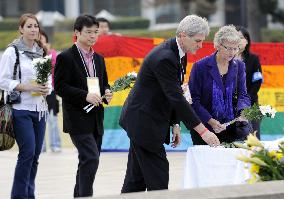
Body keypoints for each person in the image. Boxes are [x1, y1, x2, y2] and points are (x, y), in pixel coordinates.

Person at [119, 15, 220, 193]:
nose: (200, 45)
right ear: (182, 35)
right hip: (143, 122)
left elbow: (174, 91)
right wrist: (203, 131)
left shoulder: (179, 54)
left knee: (135, 181)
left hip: (144, 120)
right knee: (159, 179)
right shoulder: (165, 57)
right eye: (197, 40)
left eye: (202, 41)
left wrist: (175, 124)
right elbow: (175, 97)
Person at [54, 14, 113, 198]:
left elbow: (104, 83)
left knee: (87, 161)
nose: (93, 36)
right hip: (77, 118)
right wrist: (85, 96)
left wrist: (107, 92)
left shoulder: (99, 59)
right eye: (88, 32)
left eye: (95, 32)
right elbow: (60, 87)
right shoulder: (66, 57)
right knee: (91, 158)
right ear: (77, 33)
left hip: (96, 118)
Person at [0, 13, 50, 199]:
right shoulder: (12, 51)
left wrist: (47, 89)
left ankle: (29, 194)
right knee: (27, 152)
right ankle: (19, 196)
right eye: (29, 26)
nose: (33, 29)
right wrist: (28, 87)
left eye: (35, 26)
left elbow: (48, 80)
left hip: (40, 110)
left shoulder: (41, 51)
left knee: (35, 155)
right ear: (21, 29)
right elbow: (3, 81)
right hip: (21, 109)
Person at [189, 25, 251, 145]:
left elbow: (243, 95)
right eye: (228, 48)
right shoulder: (200, 67)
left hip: (231, 127)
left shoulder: (239, 66)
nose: (232, 52)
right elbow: (194, 101)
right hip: (205, 128)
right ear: (217, 45)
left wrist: (243, 111)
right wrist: (211, 121)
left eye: (235, 48)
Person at [236, 26, 263, 139]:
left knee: (253, 137)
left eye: (241, 37)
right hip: (230, 106)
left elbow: (257, 81)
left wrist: (246, 101)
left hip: (251, 104)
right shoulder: (224, 59)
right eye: (235, 37)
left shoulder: (254, 59)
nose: (237, 40)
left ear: (246, 41)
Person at [40, 30, 62, 152]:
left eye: (43, 38)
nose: (41, 41)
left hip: (50, 91)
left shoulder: (52, 53)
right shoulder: (33, 53)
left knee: (52, 119)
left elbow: (54, 68)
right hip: (36, 92)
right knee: (39, 120)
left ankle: (55, 145)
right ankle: (41, 146)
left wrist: (46, 53)